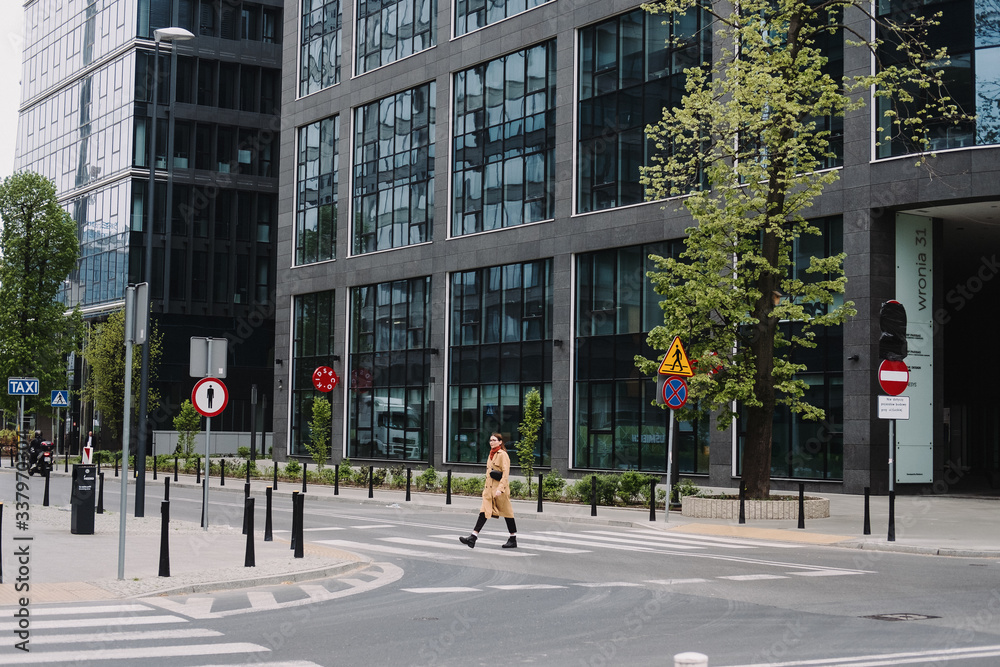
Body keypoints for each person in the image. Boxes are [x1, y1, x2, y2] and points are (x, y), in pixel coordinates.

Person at [459, 432, 517, 549]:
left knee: (507, 514)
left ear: (500, 442)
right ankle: (473, 537)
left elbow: (505, 474)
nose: (491, 442)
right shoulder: (491, 454)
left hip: (499, 491)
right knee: (484, 512)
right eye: (490, 440)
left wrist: (500, 489)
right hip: (489, 490)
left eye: (494, 440)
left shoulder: (502, 455)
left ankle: (513, 538)